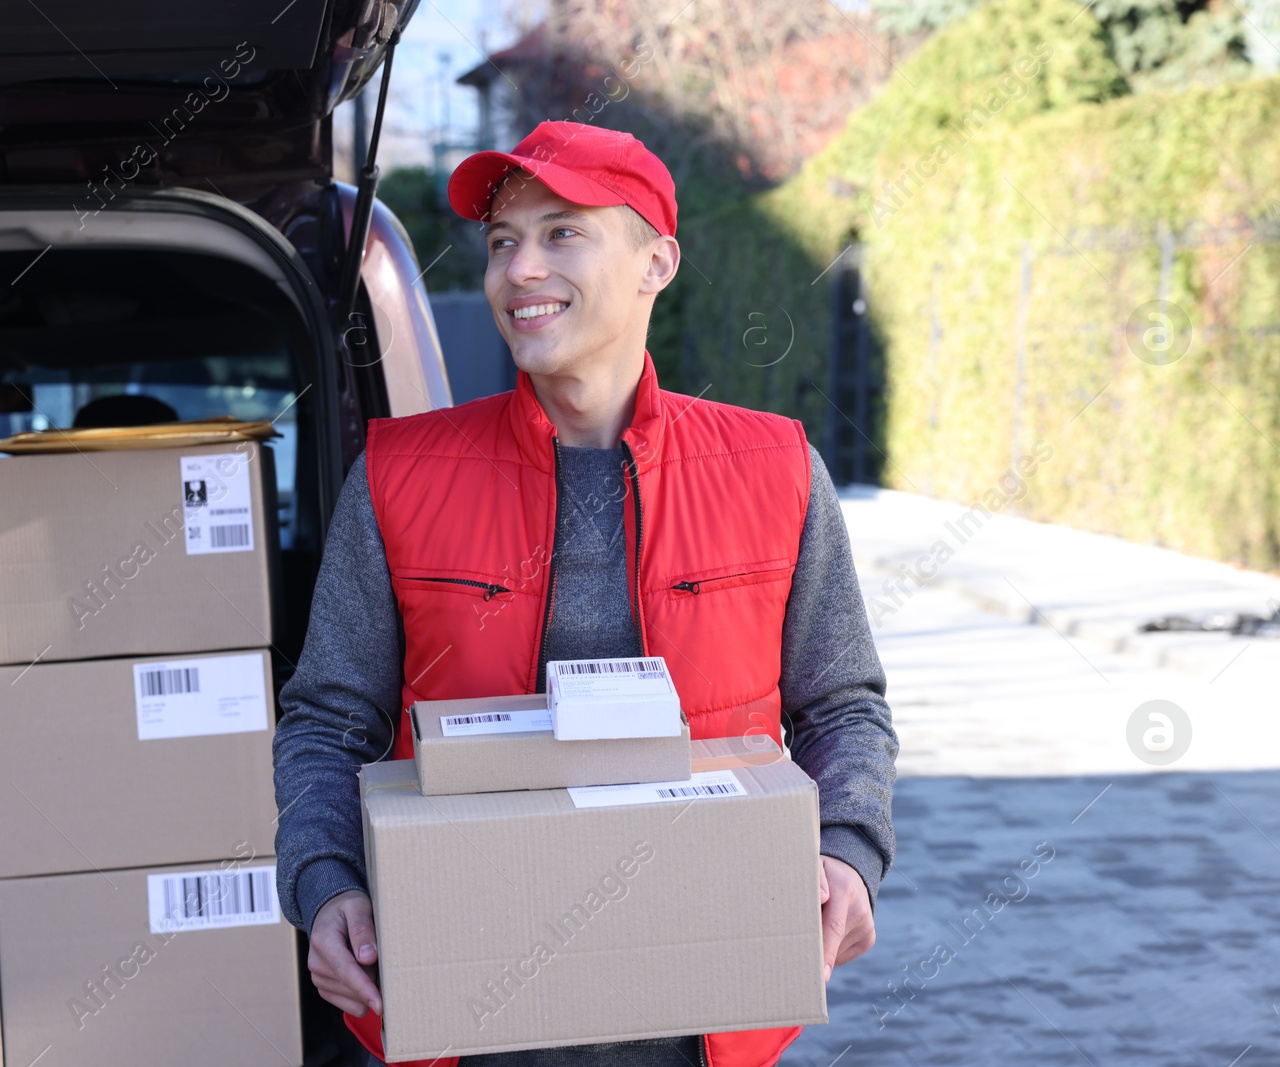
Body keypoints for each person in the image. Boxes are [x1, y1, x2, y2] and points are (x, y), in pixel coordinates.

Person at [272, 120, 898, 1067]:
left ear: (657, 261)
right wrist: (324, 884)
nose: (519, 269)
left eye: (563, 232)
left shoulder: (775, 471)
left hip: (703, 1015)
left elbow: (843, 705)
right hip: (456, 1012)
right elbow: (325, 718)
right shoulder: (401, 477)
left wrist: (849, 849)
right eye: (501, 242)